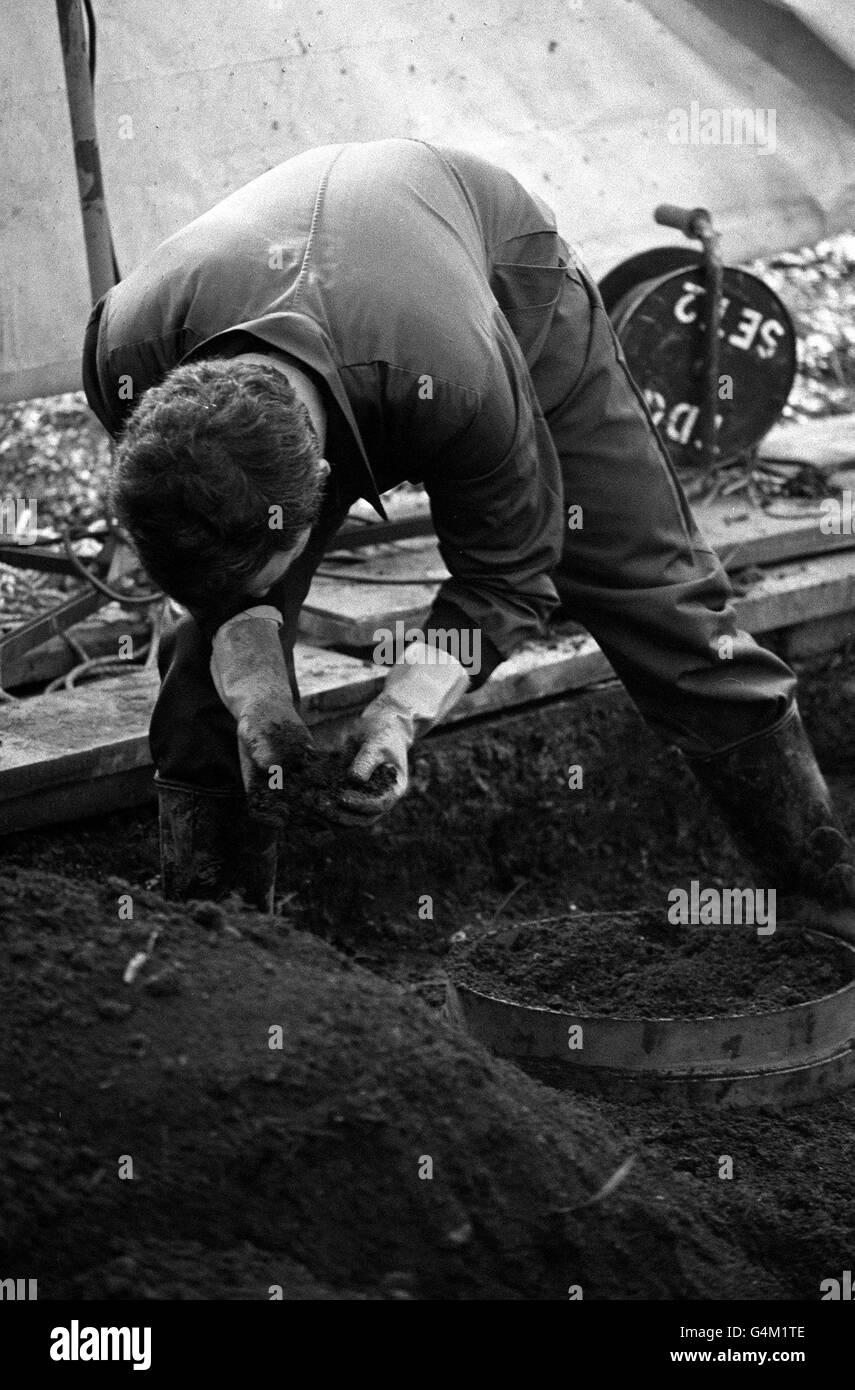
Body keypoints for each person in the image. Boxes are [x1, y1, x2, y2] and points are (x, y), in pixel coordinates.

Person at [82, 137, 855, 919]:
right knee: (206, 649)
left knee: (653, 593)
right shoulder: (124, 352)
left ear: (320, 488)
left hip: (499, 277)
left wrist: (400, 711)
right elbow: (212, 583)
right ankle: (216, 925)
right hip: (314, 291)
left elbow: (507, 575)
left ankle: (821, 892)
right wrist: (255, 697)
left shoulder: (459, 382)